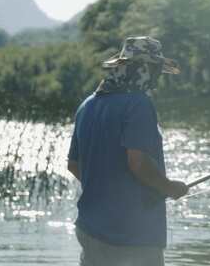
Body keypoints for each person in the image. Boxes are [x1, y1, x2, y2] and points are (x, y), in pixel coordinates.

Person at [67, 36, 189, 266]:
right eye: (154, 70)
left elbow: (73, 165)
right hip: (132, 234)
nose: (155, 78)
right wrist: (170, 188)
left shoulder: (88, 105)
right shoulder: (138, 104)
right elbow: (137, 163)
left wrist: (105, 192)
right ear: (143, 70)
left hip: (90, 228)